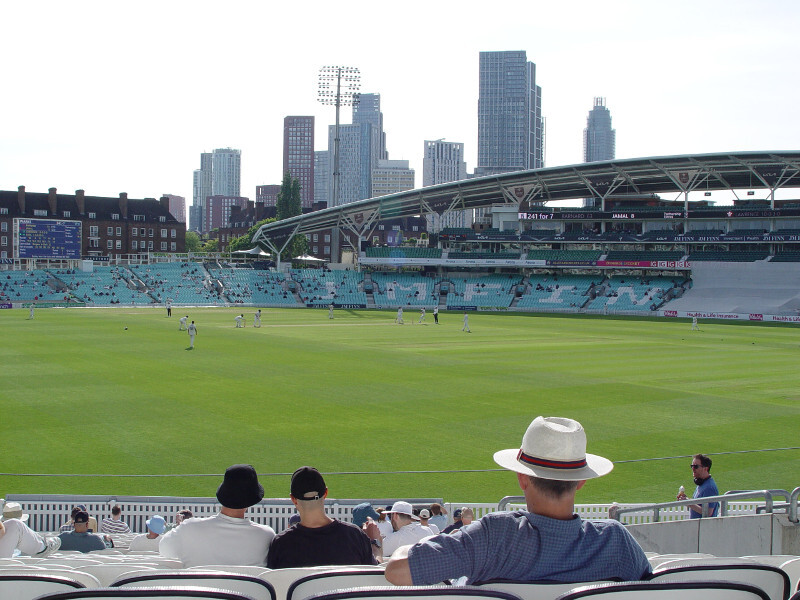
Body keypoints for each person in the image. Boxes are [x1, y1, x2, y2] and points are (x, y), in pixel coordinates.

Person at [385, 416, 651, 585]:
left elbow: (396, 571)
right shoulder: (615, 541)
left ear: (522, 478)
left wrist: (405, 546)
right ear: (581, 481)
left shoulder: (494, 536)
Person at [159, 464, 275, 567]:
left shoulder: (188, 527)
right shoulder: (267, 535)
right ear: (251, 500)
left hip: (198, 585)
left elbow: (164, 550)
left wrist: (181, 528)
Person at [266, 466, 377, 568]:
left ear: (293, 499)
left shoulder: (280, 544)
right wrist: (376, 545)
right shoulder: (355, 536)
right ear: (325, 493)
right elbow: (374, 575)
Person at [365, 501, 433, 560]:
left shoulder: (395, 538)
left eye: (391, 515)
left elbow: (374, 554)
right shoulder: (427, 530)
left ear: (395, 516)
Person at [677, 453, 719, 518]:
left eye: (696, 466)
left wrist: (688, 502)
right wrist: (686, 499)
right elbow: (697, 505)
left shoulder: (709, 487)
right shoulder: (701, 483)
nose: (693, 469)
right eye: (692, 466)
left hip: (703, 524)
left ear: (705, 468)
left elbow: (708, 512)